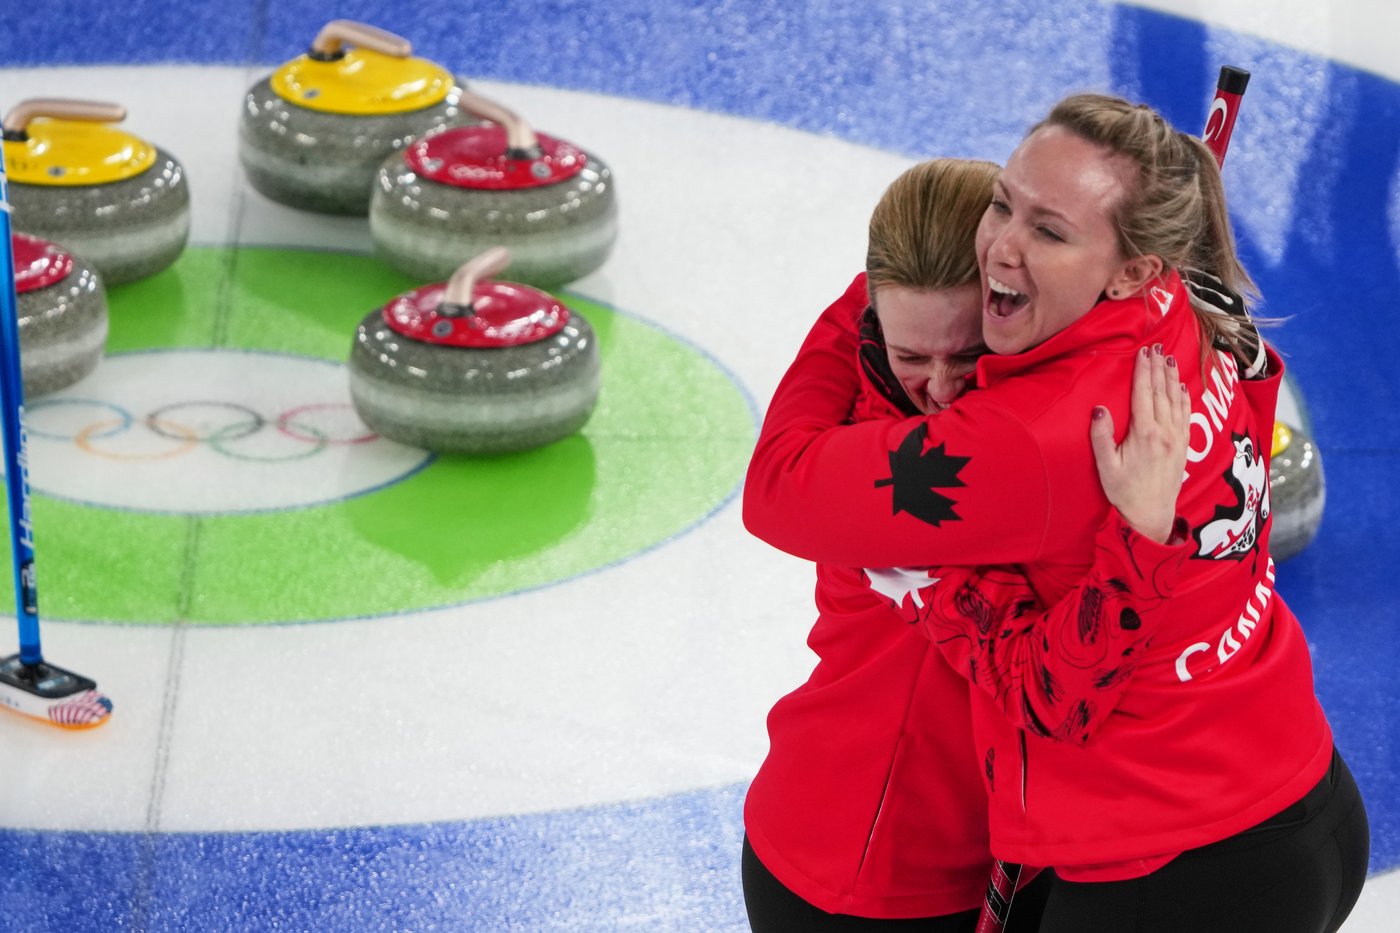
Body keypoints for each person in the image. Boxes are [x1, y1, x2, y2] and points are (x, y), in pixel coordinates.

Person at [743, 94, 1368, 932]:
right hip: (1298, 791)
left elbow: (777, 488)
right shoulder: (1178, 314)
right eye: (1004, 204)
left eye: (1049, 229)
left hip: (1169, 866)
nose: (1004, 245)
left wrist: (869, 291)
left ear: (1133, 267)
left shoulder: (1019, 440)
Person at [742, 158, 1196, 932]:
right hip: (869, 874)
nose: (944, 390)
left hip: (998, 856)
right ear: (874, 323)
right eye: (910, 356)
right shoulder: (921, 486)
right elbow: (1053, 688)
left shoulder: (1036, 422)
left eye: (967, 351)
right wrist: (1144, 537)